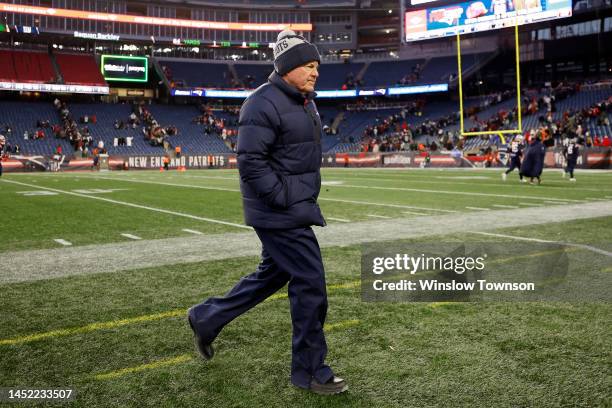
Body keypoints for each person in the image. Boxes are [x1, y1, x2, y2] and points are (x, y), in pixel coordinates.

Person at [187, 30, 347, 396]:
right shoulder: (262, 103)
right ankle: (309, 371)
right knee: (311, 284)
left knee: (272, 276)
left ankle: (205, 319)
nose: (316, 72)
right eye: (309, 65)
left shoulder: (304, 101)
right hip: (279, 211)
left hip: (292, 207)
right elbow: (251, 163)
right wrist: (282, 198)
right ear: (289, 67)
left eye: (317, 66)